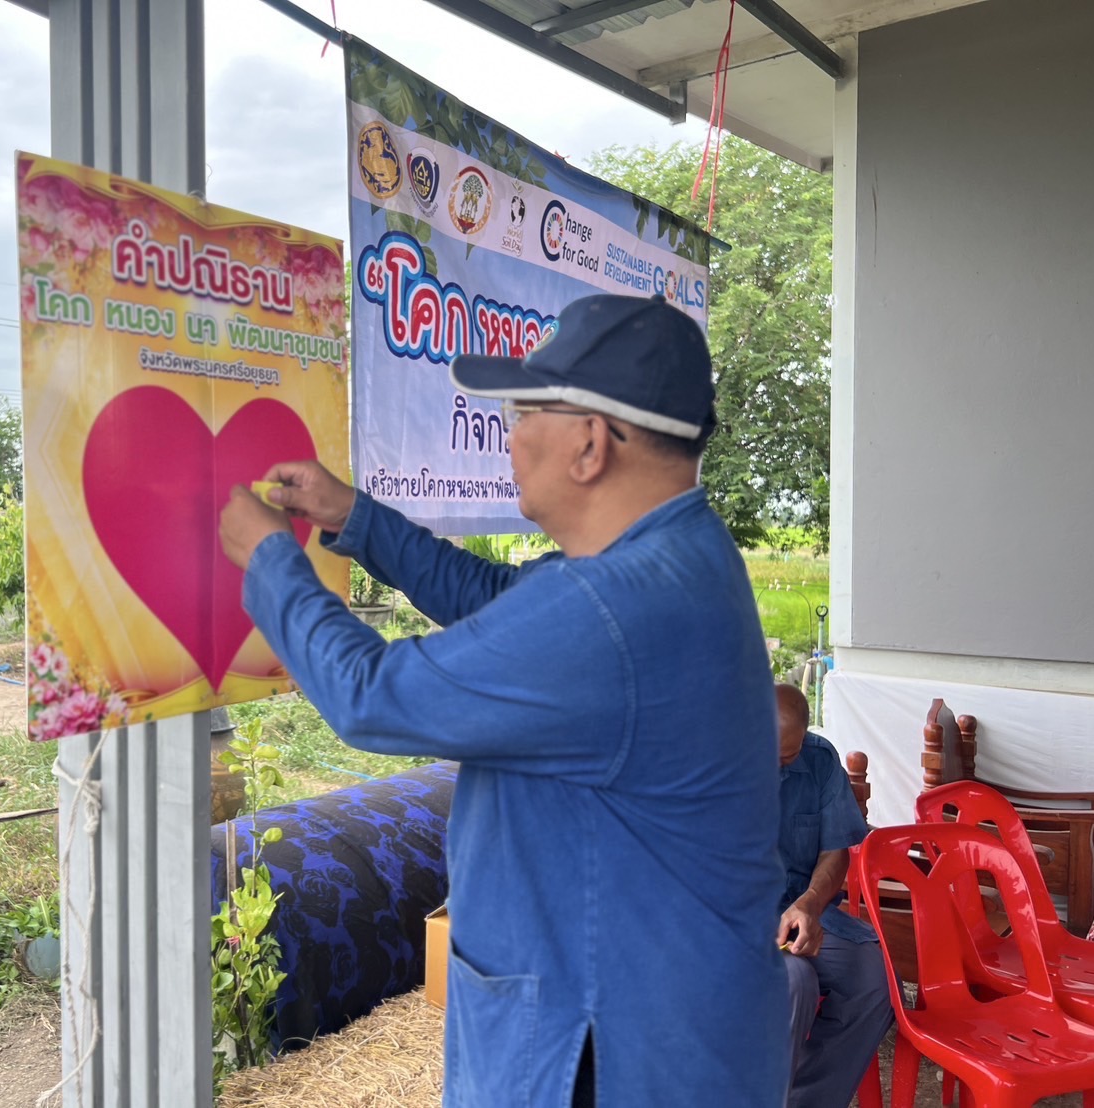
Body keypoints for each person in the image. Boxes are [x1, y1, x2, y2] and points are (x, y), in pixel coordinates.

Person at [219, 294, 788, 1107]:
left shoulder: (613, 610)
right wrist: (353, 517)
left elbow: (370, 698)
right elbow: (495, 596)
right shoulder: (675, 556)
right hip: (670, 1022)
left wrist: (269, 561)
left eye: (521, 412)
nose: (508, 435)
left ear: (588, 444)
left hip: (611, 1052)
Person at [774, 683, 894, 1108]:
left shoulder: (820, 760)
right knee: (794, 983)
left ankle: (807, 1100)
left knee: (875, 979)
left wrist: (809, 902)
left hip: (803, 913)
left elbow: (835, 853)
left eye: (785, 756)